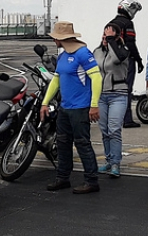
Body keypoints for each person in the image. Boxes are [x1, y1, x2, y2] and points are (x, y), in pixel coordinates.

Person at [40, 21, 102, 194]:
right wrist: (45, 102)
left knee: (82, 143)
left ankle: (91, 180)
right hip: (65, 107)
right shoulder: (62, 56)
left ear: (62, 38)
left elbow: (97, 78)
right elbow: (56, 80)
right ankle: (63, 177)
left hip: (80, 108)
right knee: (63, 143)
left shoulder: (82, 54)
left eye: (56, 38)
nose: (54, 41)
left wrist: (94, 105)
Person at [94, 22, 131, 178]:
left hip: (118, 95)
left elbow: (117, 58)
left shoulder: (123, 51)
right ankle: (108, 160)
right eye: (103, 35)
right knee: (104, 131)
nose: (105, 38)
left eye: (108, 35)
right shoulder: (97, 52)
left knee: (114, 129)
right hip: (101, 96)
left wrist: (111, 42)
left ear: (116, 37)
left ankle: (116, 163)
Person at [110, 0, 144, 128]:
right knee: (126, 90)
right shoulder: (127, 24)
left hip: (112, 63)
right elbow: (130, 43)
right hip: (126, 61)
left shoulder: (111, 23)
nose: (134, 12)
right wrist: (139, 60)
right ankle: (127, 119)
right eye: (134, 9)